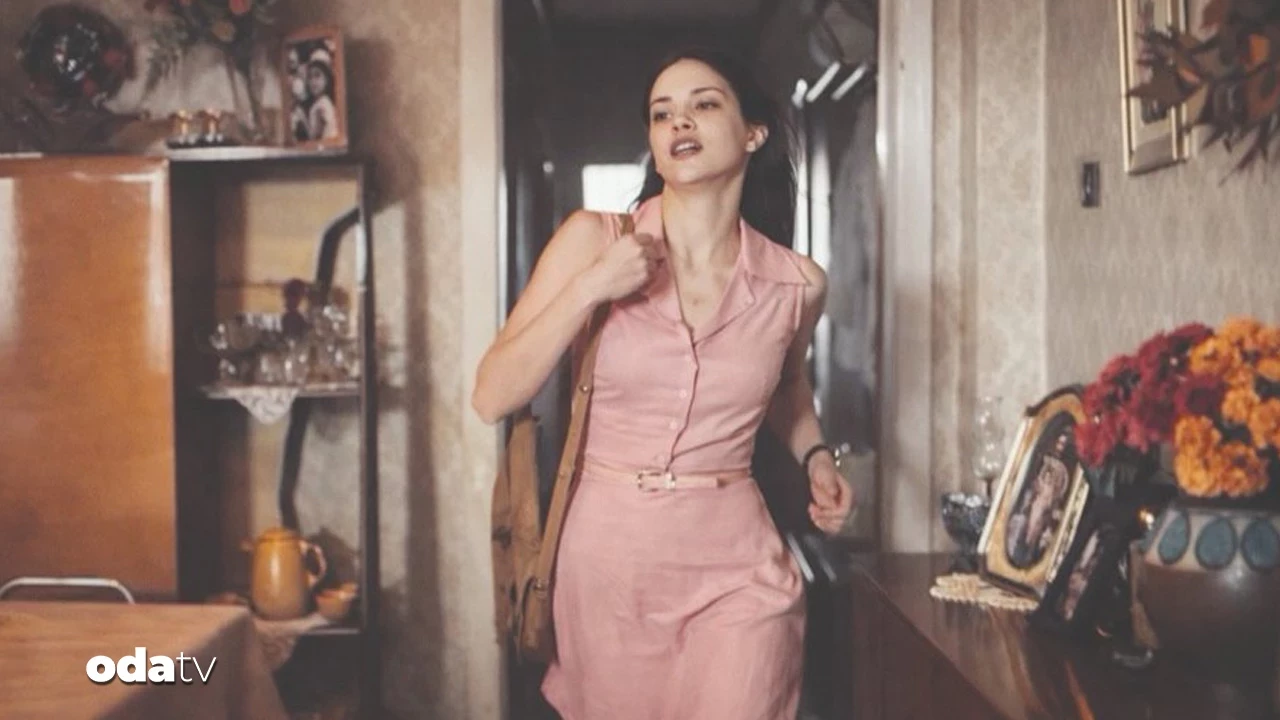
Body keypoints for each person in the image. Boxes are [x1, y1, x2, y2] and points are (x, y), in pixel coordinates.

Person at [471, 47, 855, 719]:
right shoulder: (593, 241)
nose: (680, 121)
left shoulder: (797, 284)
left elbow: (786, 386)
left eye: (704, 104)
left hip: (739, 566)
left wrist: (817, 455)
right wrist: (592, 288)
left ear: (753, 133)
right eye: (661, 113)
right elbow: (492, 394)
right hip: (609, 569)